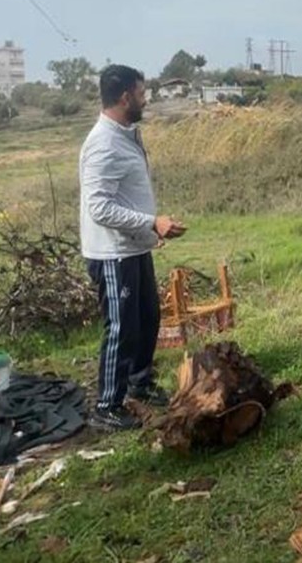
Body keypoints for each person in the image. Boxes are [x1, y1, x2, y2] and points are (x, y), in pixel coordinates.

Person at [79, 64, 187, 431]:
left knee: (147, 318)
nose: (145, 99)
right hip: (112, 253)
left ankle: (139, 383)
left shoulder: (124, 135)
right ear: (125, 97)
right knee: (122, 326)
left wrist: (150, 228)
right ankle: (107, 404)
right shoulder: (103, 144)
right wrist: (150, 222)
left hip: (134, 247)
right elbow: (99, 207)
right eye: (141, 93)